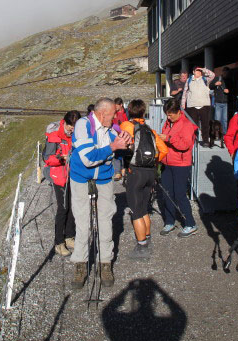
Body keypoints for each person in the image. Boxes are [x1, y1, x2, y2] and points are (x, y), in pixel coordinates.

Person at [69, 98, 132, 289]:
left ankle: (105, 263)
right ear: (102, 113)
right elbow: (88, 158)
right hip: (81, 178)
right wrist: (114, 146)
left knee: (105, 220)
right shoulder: (82, 125)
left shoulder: (112, 128)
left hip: (104, 179)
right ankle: (80, 264)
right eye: (113, 114)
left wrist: (126, 144)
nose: (116, 117)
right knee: (82, 221)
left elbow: (122, 150)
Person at [120, 100, 168, 259]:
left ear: (129, 111)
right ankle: (147, 239)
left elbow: (122, 146)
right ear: (143, 112)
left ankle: (142, 248)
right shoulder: (150, 129)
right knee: (145, 208)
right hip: (150, 172)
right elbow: (164, 150)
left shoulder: (126, 126)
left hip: (136, 171)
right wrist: (153, 161)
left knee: (136, 211)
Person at [158, 98, 199, 238]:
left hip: (181, 164)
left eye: (170, 114)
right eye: (167, 114)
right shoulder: (168, 123)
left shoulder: (186, 125)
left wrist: (169, 138)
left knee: (180, 194)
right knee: (167, 193)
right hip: (166, 163)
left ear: (178, 112)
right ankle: (170, 221)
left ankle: (191, 223)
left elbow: (185, 145)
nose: (168, 117)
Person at [43, 110, 81, 256]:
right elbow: (47, 158)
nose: (72, 129)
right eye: (70, 126)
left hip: (73, 174)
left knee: (72, 207)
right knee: (63, 208)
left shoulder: (76, 135)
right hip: (59, 175)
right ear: (64, 122)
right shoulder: (54, 136)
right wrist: (61, 158)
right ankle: (59, 242)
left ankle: (69, 236)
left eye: (74, 127)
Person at [181, 67, 215, 147]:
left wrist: (203, 69)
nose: (199, 72)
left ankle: (205, 140)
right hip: (192, 105)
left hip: (204, 105)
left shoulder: (205, 79)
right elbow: (185, 92)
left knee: (205, 125)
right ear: (193, 72)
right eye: (197, 71)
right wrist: (183, 103)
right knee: (193, 125)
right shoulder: (189, 80)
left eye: (200, 71)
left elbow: (212, 75)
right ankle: (194, 140)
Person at [212, 67, 230, 134]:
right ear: (222, 72)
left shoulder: (229, 80)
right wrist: (215, 84)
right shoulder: (218, 78)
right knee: (217, 120)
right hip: (218, 102)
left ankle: (224, 134)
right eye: (224, 72)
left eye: (227, 72)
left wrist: (229, 91)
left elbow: (234, 89)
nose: (226, 73)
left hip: (225, 102)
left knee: (225, 120)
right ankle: (216, 133)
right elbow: (210, 86)